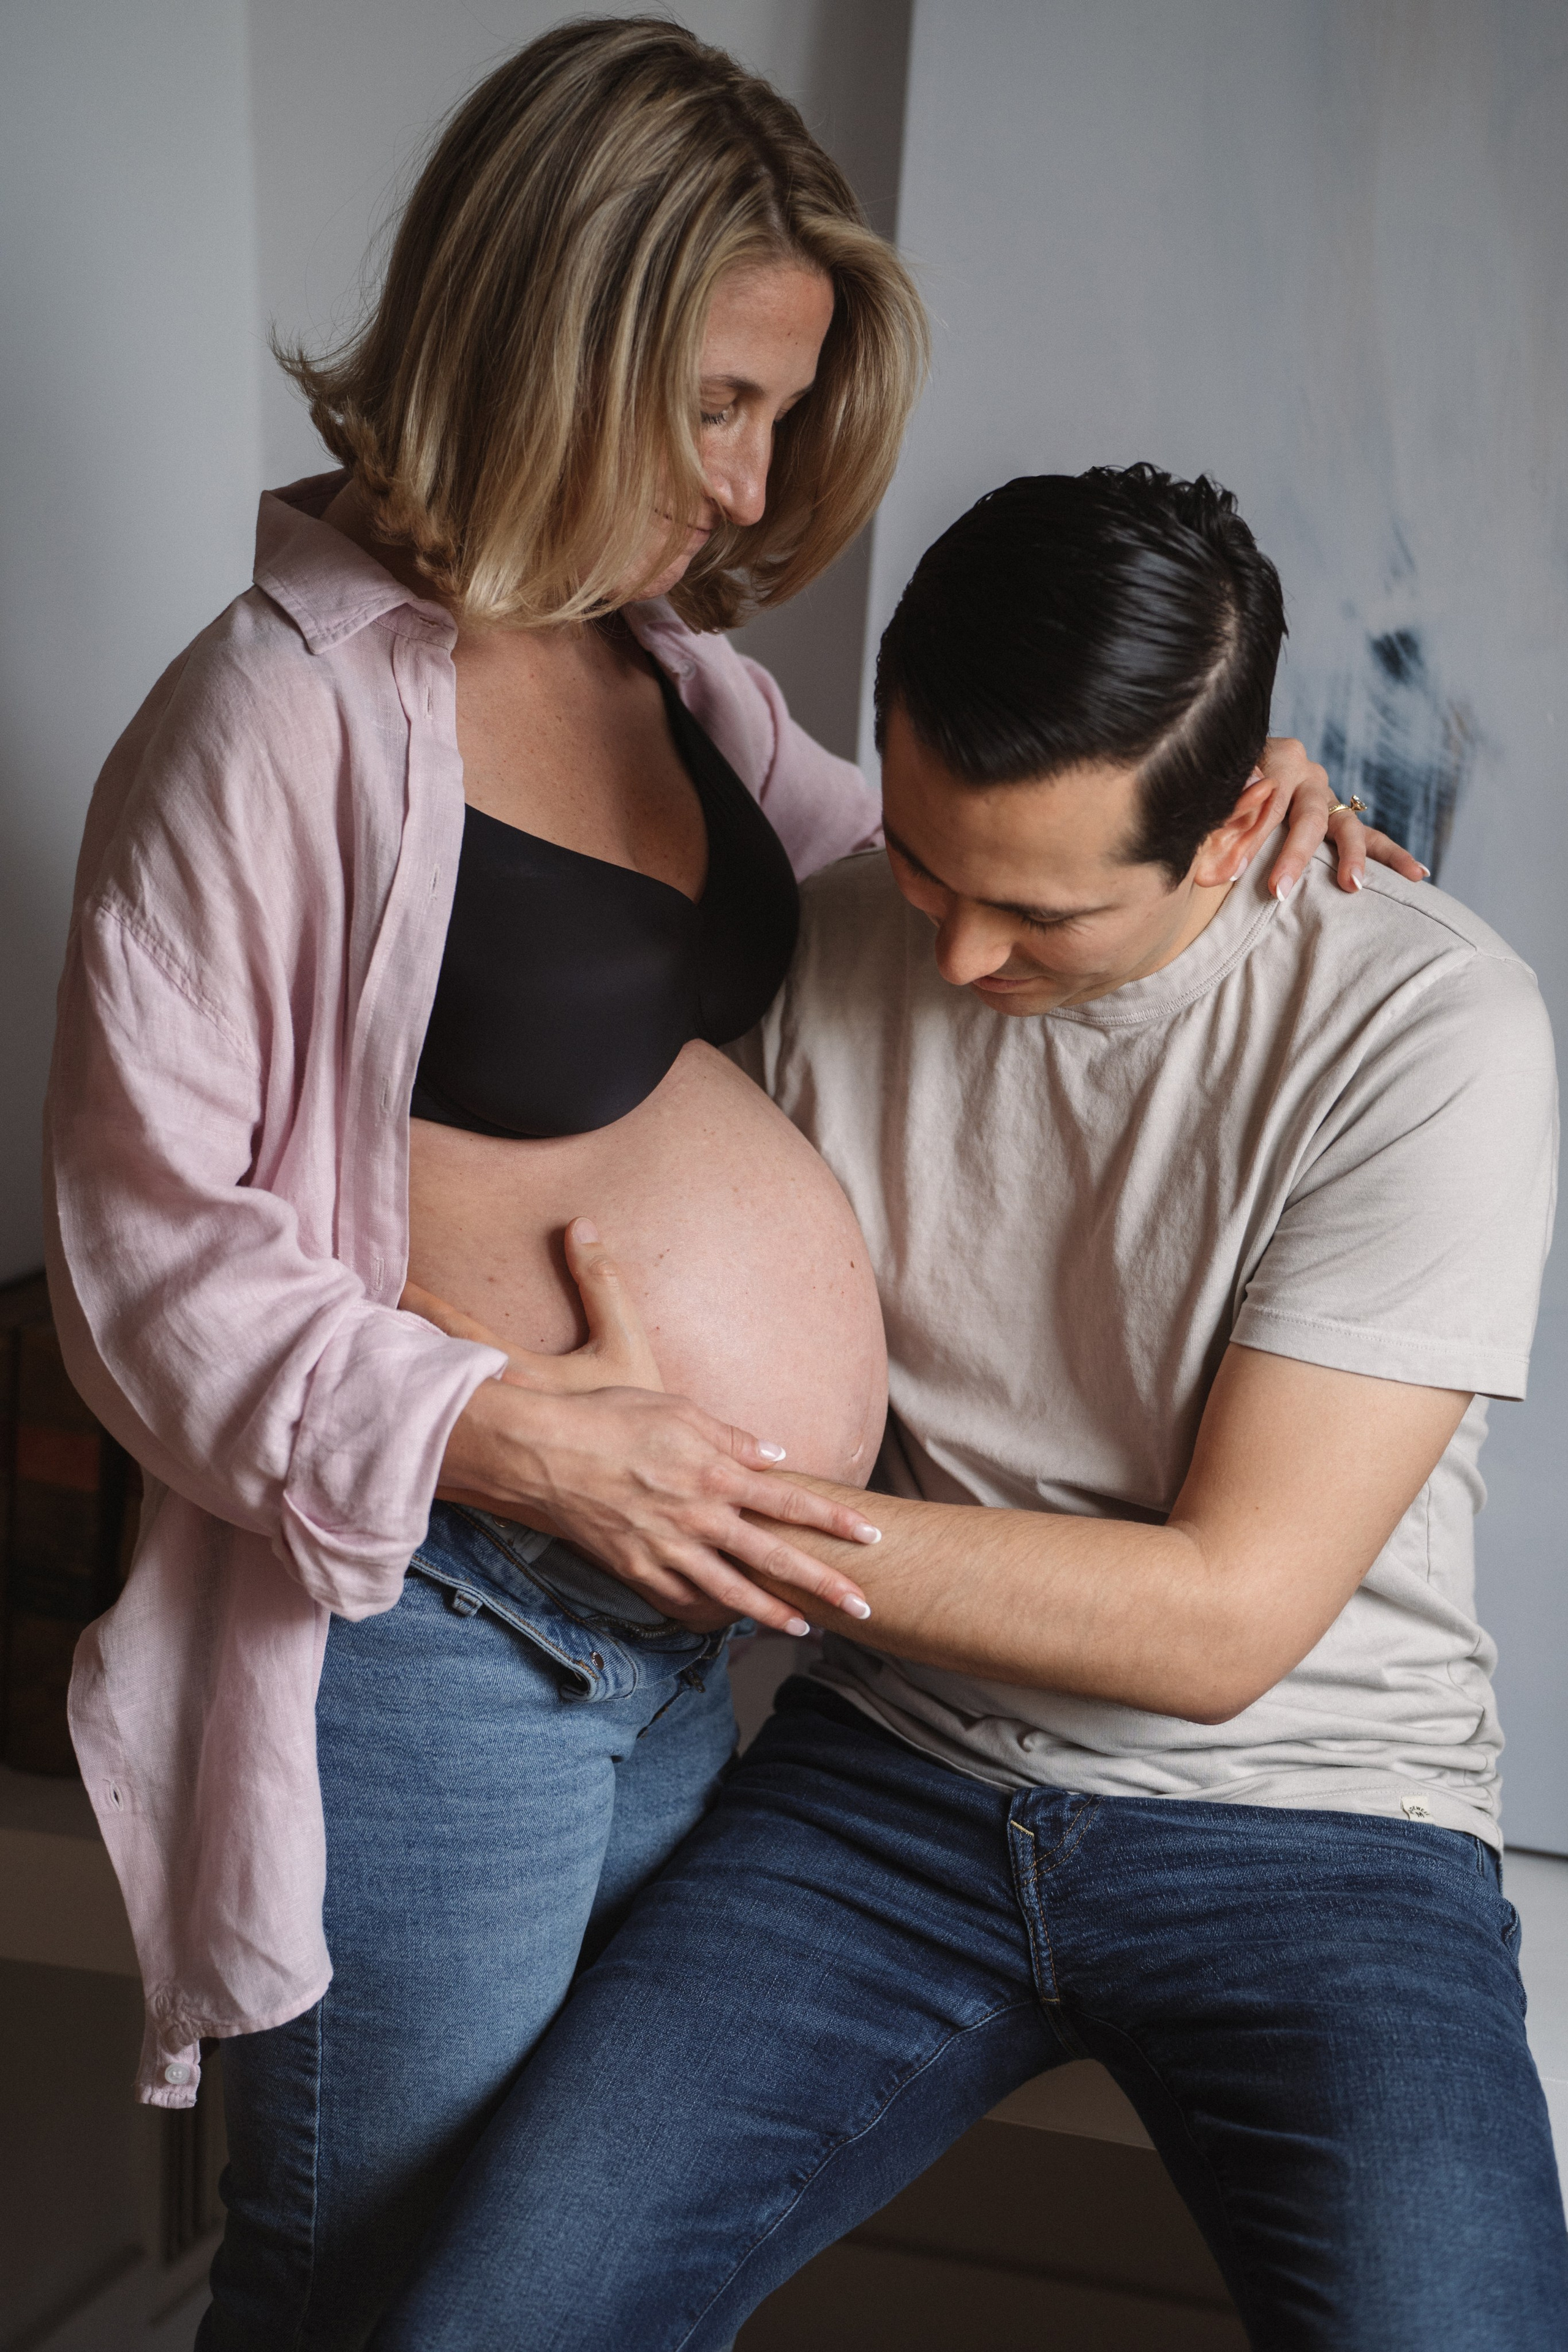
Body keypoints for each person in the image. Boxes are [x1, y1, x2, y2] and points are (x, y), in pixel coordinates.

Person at [45, 21, 1402, 2345]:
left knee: (543, 2284)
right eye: (716, 404)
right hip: (446, 1629)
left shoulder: (662, 681)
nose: (753, 481)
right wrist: (507, 1431)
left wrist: (1193, 785)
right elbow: (138, 1268)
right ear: (543, 337)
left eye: (781, 412)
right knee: (369, 2275)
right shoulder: (276, 712)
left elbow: (948, 903)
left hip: (680, 1661)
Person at [371, 467, 1567, 2352]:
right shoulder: (828, 925)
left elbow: (1223, 1623)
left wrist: (691, 1500)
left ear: (1238, 821)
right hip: (889, 1783)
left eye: (1038, 912)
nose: (952, 958)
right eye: (927, 864)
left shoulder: (1429, 1032)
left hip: (1324, 1830)